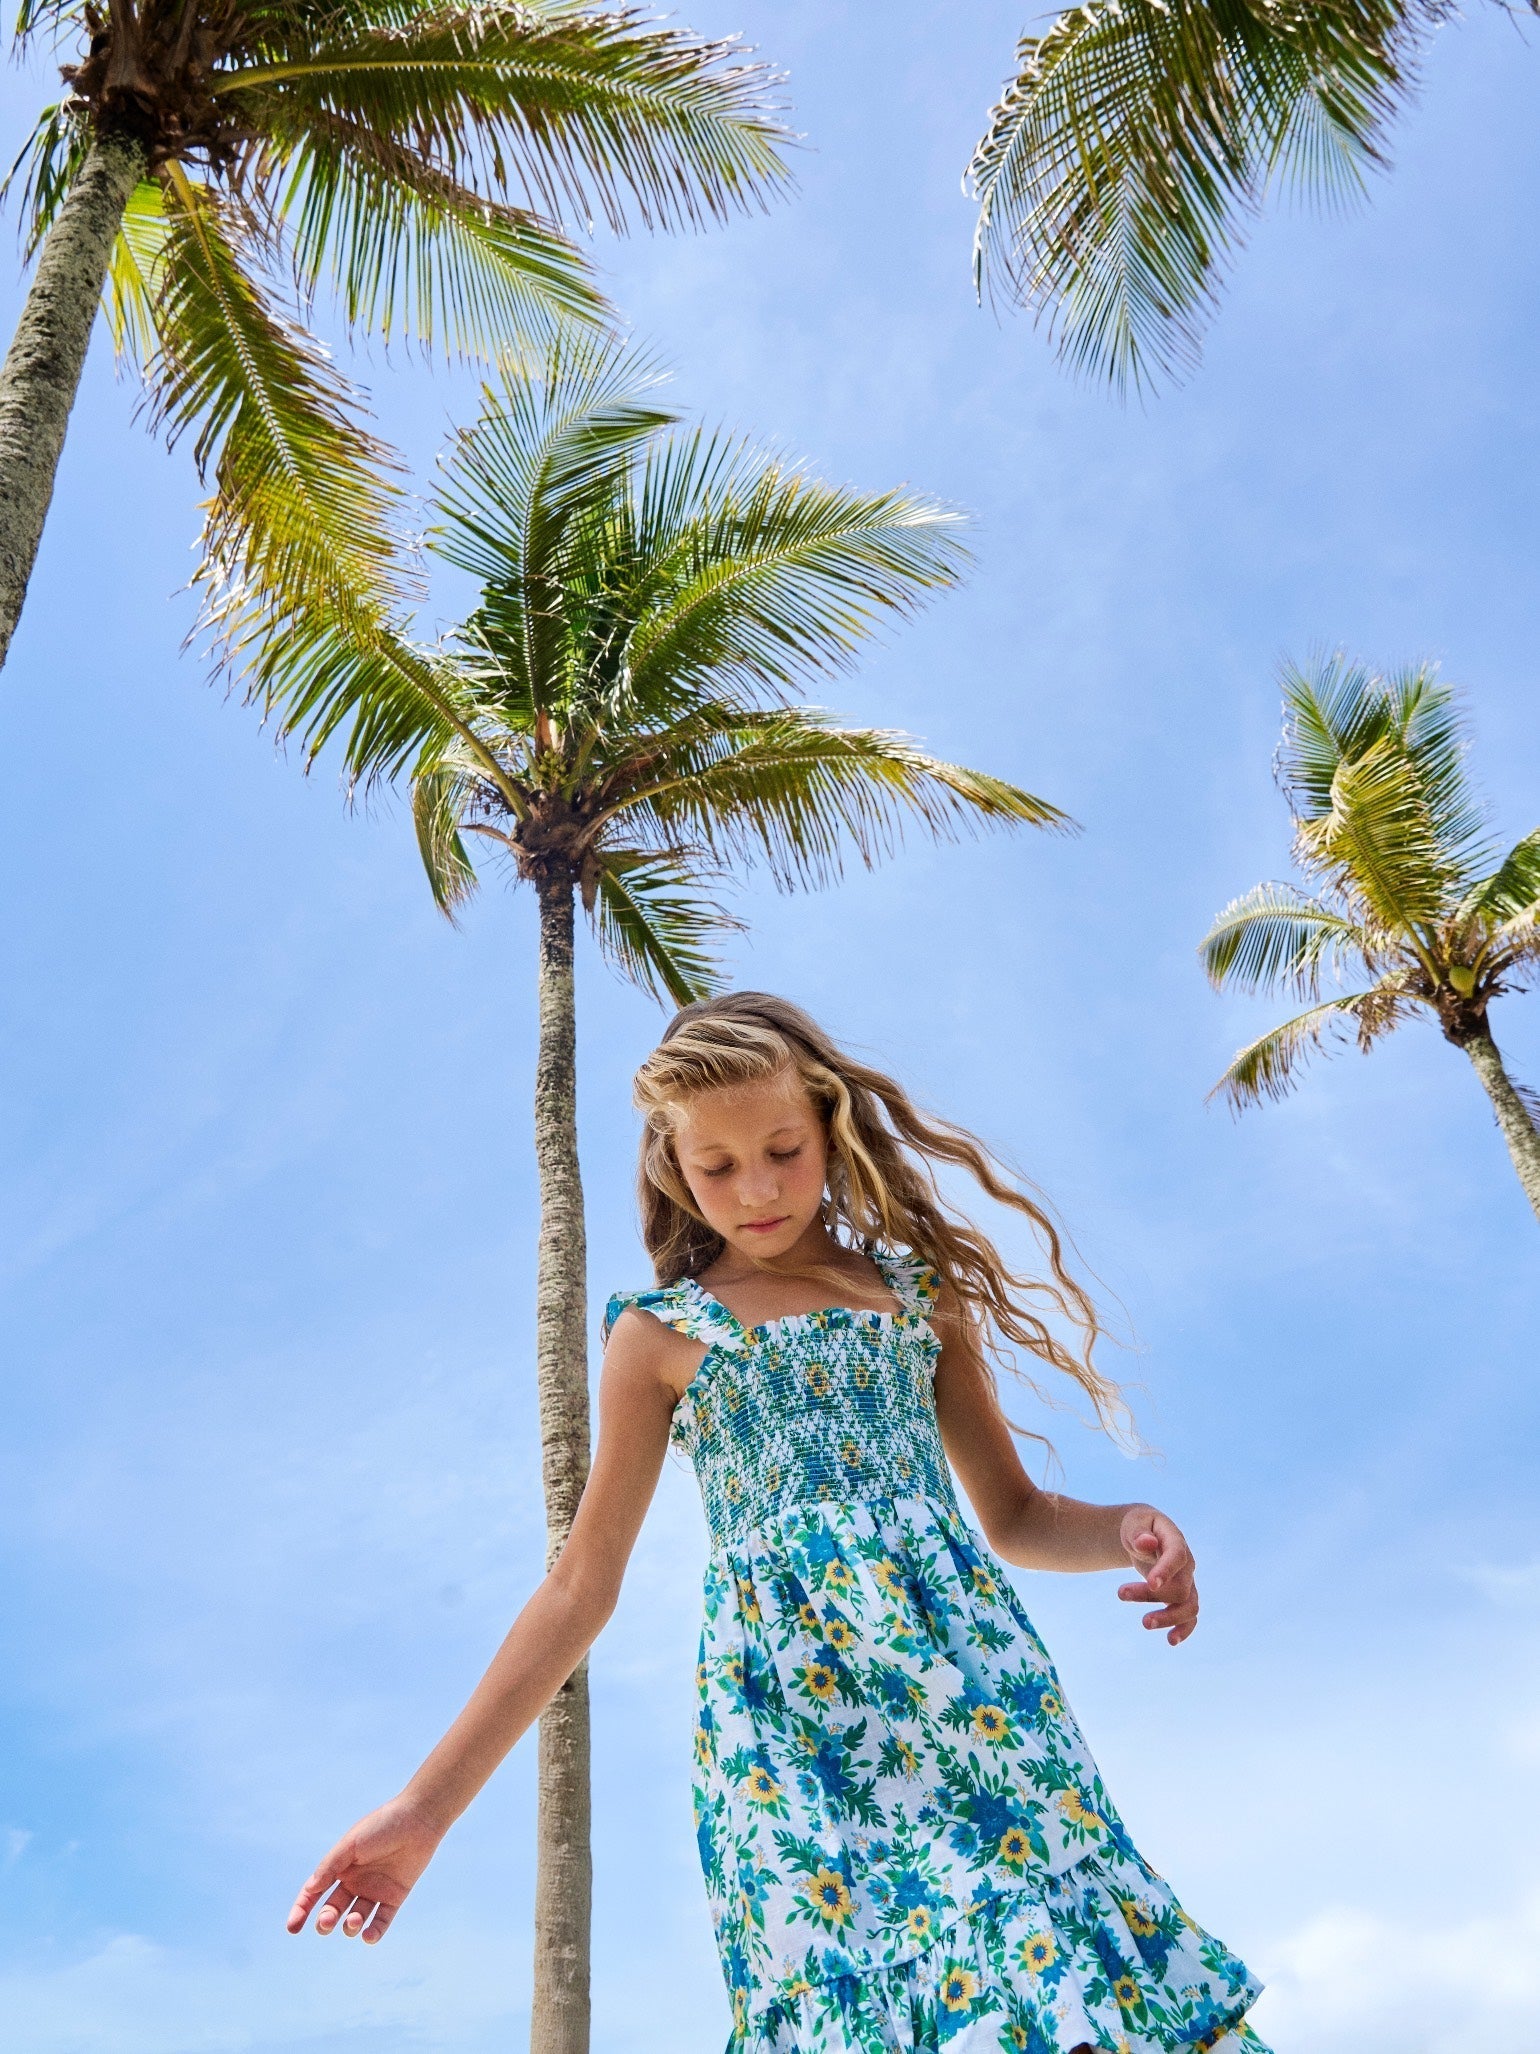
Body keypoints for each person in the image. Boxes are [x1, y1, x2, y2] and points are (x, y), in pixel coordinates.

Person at [288, 992, 1270, 2053]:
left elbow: (1018, 1514)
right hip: (787, 1744)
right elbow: (581, 1586)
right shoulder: (660, 1337)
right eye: (717, 1165)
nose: (755, 1188)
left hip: (971, 1709)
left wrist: (1130, 1522)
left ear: (828, 1125)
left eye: (782, 1150)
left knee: (1042, 1971)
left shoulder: (912, 1295)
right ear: (671, 1163)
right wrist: (425, 1808)